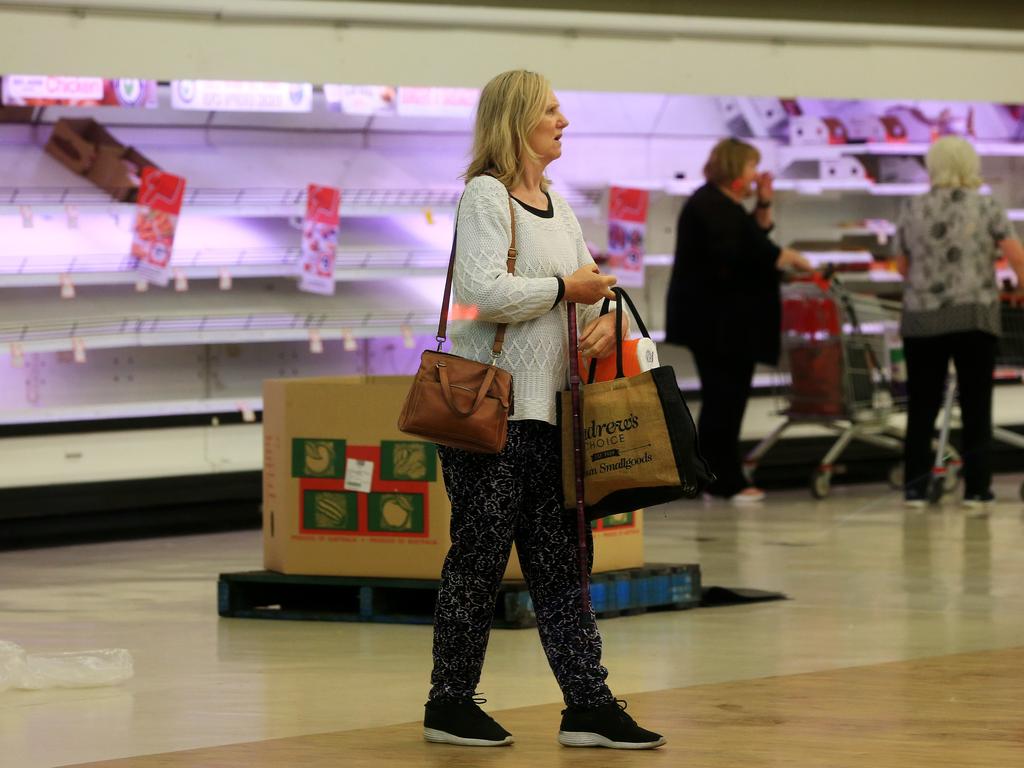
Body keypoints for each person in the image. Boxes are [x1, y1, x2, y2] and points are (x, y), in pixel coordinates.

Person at [422, 70, 665, 750]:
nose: (564, 121)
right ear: (517, 120)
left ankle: (588, 701)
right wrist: (566, 288)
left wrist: (606, 317)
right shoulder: (484, 197)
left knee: (562, 564)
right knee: (478, 558)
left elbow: (593, 292)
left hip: (552, 416)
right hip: (491, 412)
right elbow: (480, 292)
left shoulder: (559, 204)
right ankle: (449, 701)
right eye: (551, 111)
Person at [665, 138, 811, 503]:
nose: (755, 173)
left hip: (726, 324)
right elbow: (750, 253)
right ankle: (723, 479)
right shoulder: (711, 205)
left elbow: (753, 238)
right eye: (750, 166)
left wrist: (763, 201)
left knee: (727, 399)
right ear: (733, 168)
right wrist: (788, 257)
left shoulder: (723, 205)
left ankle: (718, 475)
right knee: (724, 399)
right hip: (718, 325)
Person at [896, 136, 1024, 508]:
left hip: (922, 318)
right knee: (975, 404)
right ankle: (977, 489)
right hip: (974, 316)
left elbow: (902, 265)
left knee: (921, 406)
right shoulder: (986, 207)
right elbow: (1016, 257)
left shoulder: (912, 206)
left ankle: (916, 488)